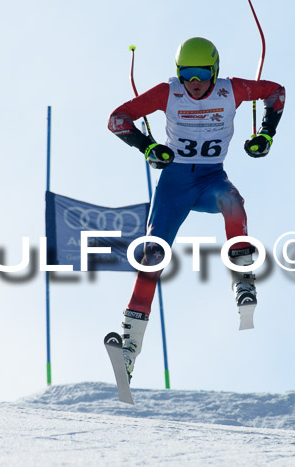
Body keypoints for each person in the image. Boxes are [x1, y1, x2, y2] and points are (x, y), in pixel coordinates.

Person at [108, 37, 285, 378]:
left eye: (201, 74)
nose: (194, 82)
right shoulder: (167, 92)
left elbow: (276, 92)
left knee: (232, 201)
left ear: (214, 72)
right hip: (174, 186)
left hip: (209, 180)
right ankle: (130, 347)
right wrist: (147, 147)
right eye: (186, 73)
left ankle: (243, 279)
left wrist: (266, 134)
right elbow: (118, 119)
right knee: (152, 254)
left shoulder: (231, 90)